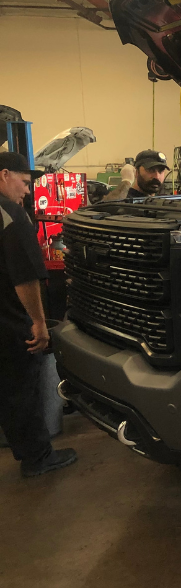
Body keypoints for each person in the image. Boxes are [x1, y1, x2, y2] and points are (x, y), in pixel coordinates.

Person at [0, 152, 77, 477]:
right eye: (25, 182)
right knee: (21, 391)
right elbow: (25, 277)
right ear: (5, 175)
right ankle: (37, 458)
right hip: (9, 321)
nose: (28, 191)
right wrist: (39, 322)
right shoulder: (10, 215)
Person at [103, 149, 170, 201]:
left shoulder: (162, 201)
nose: (157, 177)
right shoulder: (125, 199)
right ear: (136, 172)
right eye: (150, 170)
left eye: (161, 171)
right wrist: (126, 181)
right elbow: (104, 209)